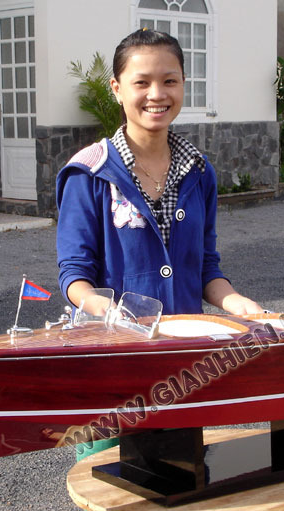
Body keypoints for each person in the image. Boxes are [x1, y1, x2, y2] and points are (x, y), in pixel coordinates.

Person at [56, 28, 261, 324]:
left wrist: (237, 302)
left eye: (169, 81)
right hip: (114, 348)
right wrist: (106, 309)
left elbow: (205, 268)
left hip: (183, 345)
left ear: (183, 85)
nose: (157, 94)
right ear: (116, 89)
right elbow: (75, 273)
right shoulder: (89, 173)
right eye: (142, 82)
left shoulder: (198, 171)